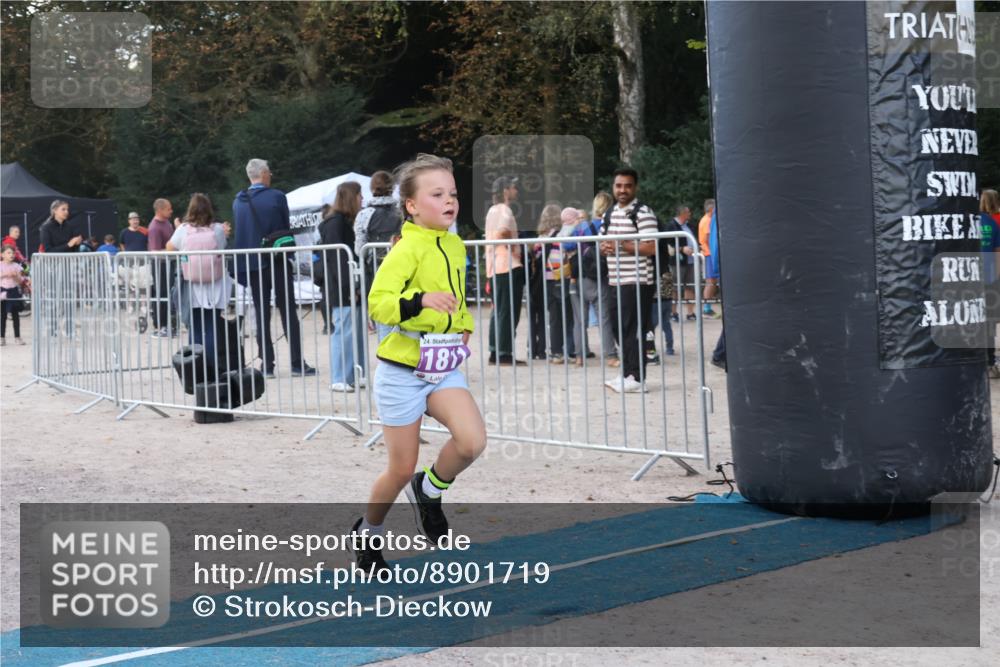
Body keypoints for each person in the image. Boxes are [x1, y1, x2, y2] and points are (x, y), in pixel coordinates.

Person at [355, 154, 486, 572]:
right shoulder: (406, 248)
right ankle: (368, 532)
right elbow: (378, 304)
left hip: (442, 365)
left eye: (453, 194)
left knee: (471, 442)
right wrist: (420, 301)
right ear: (411, 205)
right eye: (437, 194)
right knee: (399, 469)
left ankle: (429, 490)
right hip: (402, 373)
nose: (449, 201)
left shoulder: (454, 244)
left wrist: (464, 327)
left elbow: (458, 297)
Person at [232, 158, 316, 378]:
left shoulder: (238, 201)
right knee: (288, 310)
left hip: (253, 264)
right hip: (276, 260)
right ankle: (297, 363)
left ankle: (267, 364)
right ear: (263, 173)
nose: (271, 175)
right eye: (269, 172)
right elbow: (284, 229)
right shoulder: (277, 197)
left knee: (262, 313)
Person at [600, 168, 659, 393]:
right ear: (613, 187)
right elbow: (603, 242)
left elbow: (651, 247)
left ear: (635, 187)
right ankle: (627, 373)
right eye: (619, 185)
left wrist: (621, 245)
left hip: (638, 280)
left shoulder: (643, 212)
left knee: (633, 329)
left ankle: (636, 377)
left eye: (627, 185)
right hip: (615, 280)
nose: (622, 190)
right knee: (618, 328)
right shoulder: (609, 213)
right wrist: (605, 247)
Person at [166, 194, 232, 370]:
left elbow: (170, 248)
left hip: (192, 285)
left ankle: (195, 369)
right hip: (214, 285)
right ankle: (212, 368)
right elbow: (222, 246)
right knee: (211, 327)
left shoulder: (183, 229)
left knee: (194, 327)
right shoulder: (217, 229)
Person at [320, 181, 367, 392]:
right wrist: (350, 287)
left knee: (355, 331)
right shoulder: (335, 223)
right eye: (359, 195)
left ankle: (354, 374)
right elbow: (337, 260)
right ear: (351, 197)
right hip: (341, 287)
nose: (362, 199)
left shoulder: (343, 222)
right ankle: (339, 376)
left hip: (348, 284)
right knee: (344, 331)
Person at [354, 170, 402, 342]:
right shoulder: (402, 212)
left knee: (383, 315)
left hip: (376, 269)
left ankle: (387, 352)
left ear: (372, 188)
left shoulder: (364, 214)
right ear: (392, 187)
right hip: (402, 266)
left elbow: (359, 248)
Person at [484, 175, 525, 365]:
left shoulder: (492, 210)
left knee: (498, 310)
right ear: (505, 191)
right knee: (508, 311)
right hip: (508, 265)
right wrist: (512, 245)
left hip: (494, 267)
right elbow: (501, 232)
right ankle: (505, 353)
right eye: (513, 187)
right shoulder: (504, 210)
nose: (516, 190)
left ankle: (496, 352)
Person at [541, 207, 579, 363]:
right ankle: (569, 350)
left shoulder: (541, 237)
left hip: (546, 280)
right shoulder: (562, 236)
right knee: (568, 317)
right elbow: (564, 256)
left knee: (554, 318)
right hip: (562, 277)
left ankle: (556, 352)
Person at [148, 199, 177, 337]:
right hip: (160, 265)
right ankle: (160, 326)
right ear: (160, 210)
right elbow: (155, 252)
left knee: (168, 294)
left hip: (168, 263)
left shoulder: (167, 223)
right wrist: (172, 251)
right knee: (161, 294)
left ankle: (168, 324)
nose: (171, 211)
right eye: (168, 209)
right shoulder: (154, 227)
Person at [980, 190, 1000, 378]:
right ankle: (990, 363)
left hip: (966, 278)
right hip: (989, 278)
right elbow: (997, 252)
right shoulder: (992, 223)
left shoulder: (967, 221)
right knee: (989, 321)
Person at [666, 204, 697, 322]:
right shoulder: (671, 225)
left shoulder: (689, 225)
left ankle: (690, 313)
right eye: (688, 212)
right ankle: (673, 313)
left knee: (690, 286)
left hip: (691, 261)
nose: (690, 214)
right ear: (682, 214)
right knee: (675, 287)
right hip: (677, 262)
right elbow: (667, 244)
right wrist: (682, 249)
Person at [0, 245, 26, 345]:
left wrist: (15, 276)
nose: (11, 255)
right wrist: (5, 274)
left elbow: (20, 281)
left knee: (15, 315)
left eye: (13, 253)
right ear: (2, 255)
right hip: (3, 291)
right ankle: (2, 337)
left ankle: (17, 337)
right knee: (3, 315)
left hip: (14, 291)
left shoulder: (16, 266)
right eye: (8, 253)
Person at [698, 199, 720, 318]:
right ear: (712, 209)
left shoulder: (707, 219)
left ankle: (708, 308)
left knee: (712, 282)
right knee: (710, 282)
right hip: (709, 254)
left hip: (710, 254)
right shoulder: (707, 220)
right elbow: (708, 238)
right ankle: (706, 309)